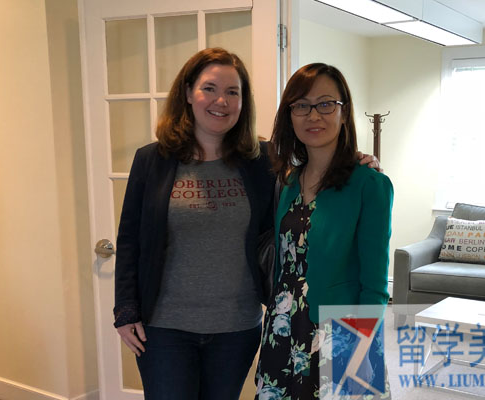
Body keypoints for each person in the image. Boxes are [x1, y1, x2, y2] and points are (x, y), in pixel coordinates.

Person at [113, 48, 381, 400]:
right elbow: (130, 238)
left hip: (237, 327)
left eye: (233, 92)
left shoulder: (262, 161)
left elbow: (323, 172)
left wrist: (360, 160)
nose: (220, 101)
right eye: (209, 88)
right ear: (188, 92)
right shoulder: (153, 160)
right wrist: (125, 309)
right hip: (165, 327)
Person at [255, 63, 393, 399]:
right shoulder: (288, 181)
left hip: (338, 329)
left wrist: (363, 346)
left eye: (326, 104)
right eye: (302, 105)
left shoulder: (369, 184)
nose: (313, 115)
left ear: (344, 112)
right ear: (290, 115)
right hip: (282, 327)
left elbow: (375, 283)